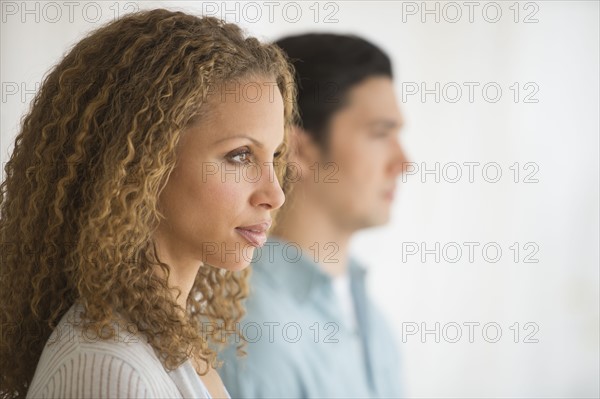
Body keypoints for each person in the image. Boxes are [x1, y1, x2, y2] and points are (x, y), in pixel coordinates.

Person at [0, 9, 297, 398]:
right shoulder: (108, 368)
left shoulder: (166, 338)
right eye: (240, 155)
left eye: (273, 157)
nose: (275, 195)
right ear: (142, 164)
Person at [218, 33, 409, 398]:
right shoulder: (252, 333)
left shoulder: (372, 321)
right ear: (301, 150)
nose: (404, 162)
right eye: (380, 134)